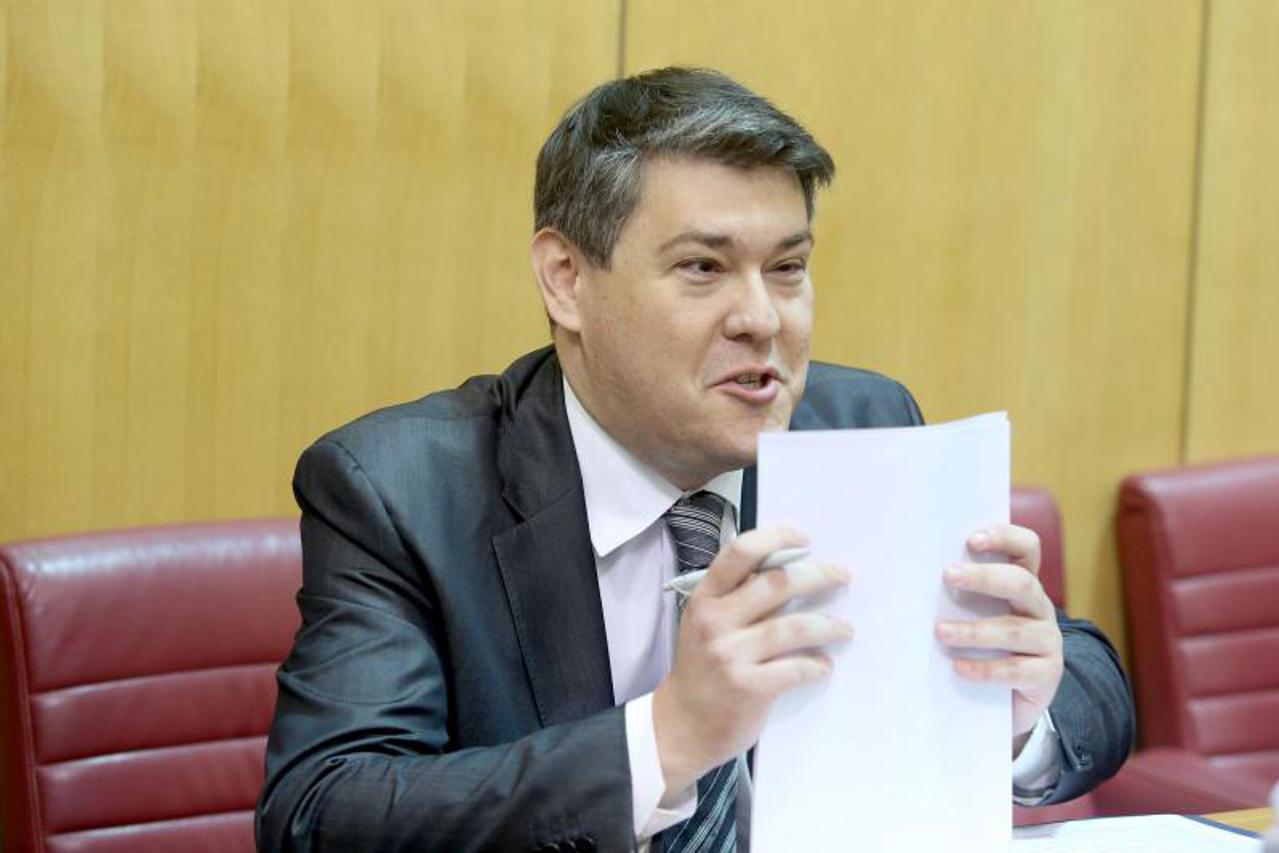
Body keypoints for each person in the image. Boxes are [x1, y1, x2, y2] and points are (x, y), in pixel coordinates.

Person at [257, 67, 1133, 852]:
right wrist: (669, 736)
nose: (762, 319)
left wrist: (1016, 710)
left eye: (786, 268)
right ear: (565, 279)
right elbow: (321, 811)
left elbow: (1088, 677)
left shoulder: (857, 422)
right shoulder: (404, 489)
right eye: (703, 267)